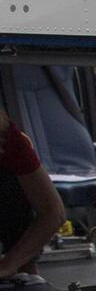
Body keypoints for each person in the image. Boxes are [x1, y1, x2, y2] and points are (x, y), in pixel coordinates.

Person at [0, 103, 66, 278]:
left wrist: (7, 265)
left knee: (11, 186)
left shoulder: (8, 138)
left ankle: (24, 275)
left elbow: (53, 213)